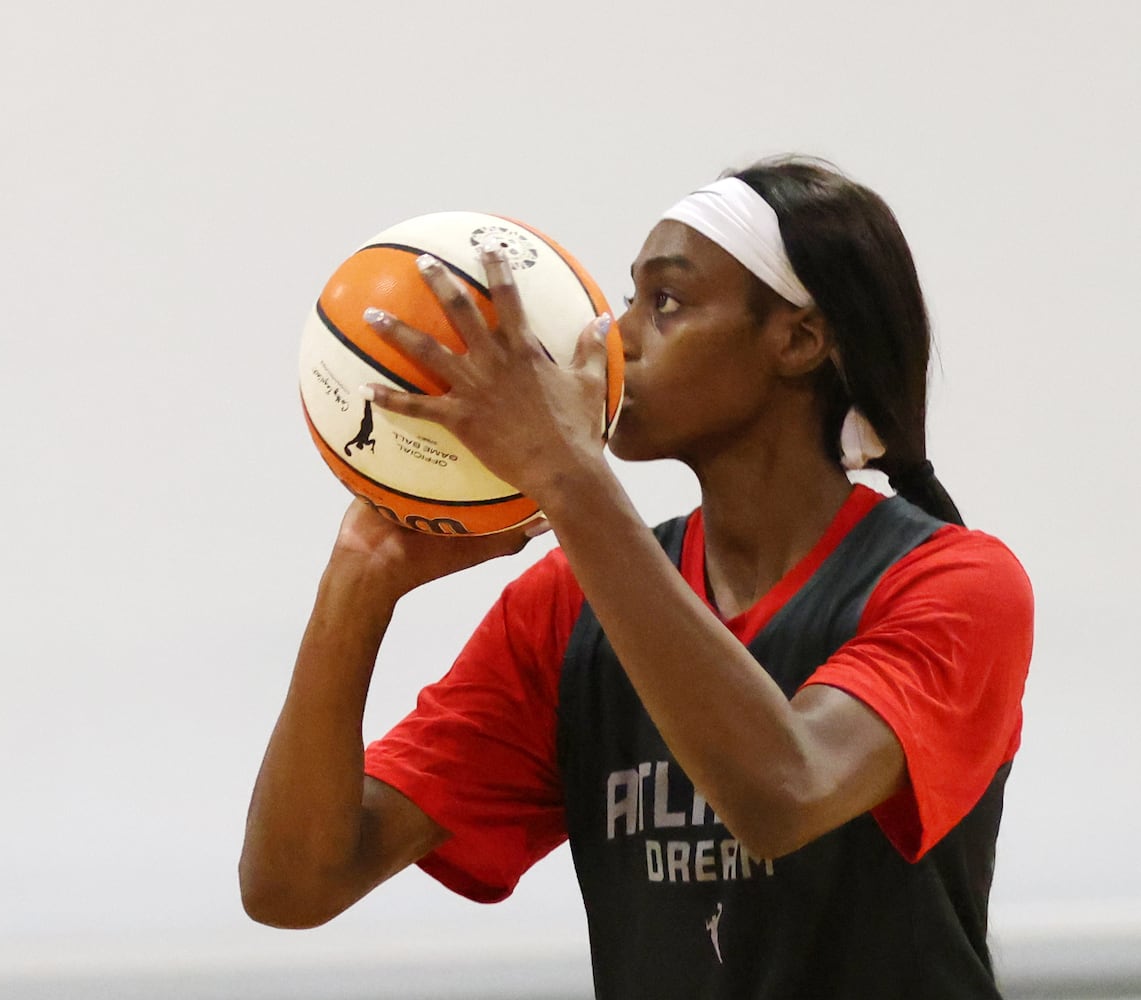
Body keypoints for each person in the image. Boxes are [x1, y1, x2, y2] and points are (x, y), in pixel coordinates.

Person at [239, 156, 1033, 999]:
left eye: (666, 302)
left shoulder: (953, 583)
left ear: (797, 340)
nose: (613, 337)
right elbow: (293, 886)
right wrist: (358, 585)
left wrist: (565, 473)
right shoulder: (566, 607)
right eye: (629, 299)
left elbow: (783, 793)